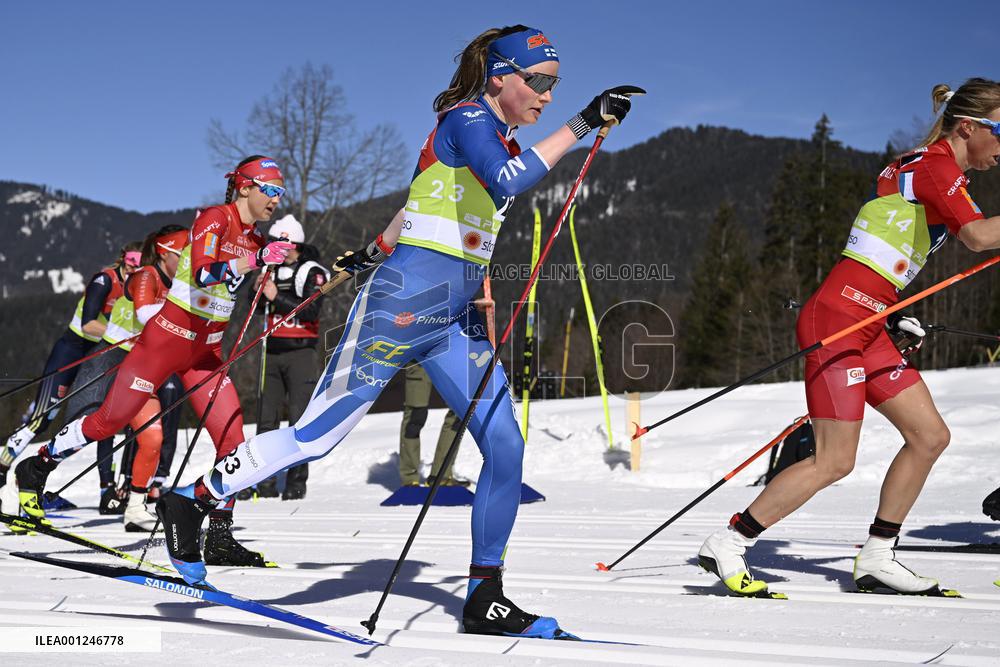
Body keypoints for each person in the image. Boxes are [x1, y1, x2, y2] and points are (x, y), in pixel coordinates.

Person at [158, 25, 635, 638]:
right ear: (500, 77)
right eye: (538, 82)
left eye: (555, 86)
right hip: (404, 304)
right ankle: (193, 498)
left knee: (506, 447)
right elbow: (511, 180)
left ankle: (484, 593)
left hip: (453, 317)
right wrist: (582, 122)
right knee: (316, 437)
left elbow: (419, 202)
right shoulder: (469, 118)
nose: (546, 95)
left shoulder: (492, 134)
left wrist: (372, 247)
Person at [698, 78, 1000, 596]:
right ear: (968, 126)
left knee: (929, 436)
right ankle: (729, 540)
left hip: (866, 321)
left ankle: (879, 555)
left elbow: (884, 243)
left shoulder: (925, 167)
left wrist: (887, 313)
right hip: (838, 321)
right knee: (835, 459)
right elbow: (977, 238)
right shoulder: (935, 165)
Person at [15, 155, 293, 567]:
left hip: (206, 354)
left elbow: (238, 287)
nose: (276, 199)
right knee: (108, 421)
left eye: (281, 192)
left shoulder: (255, 239)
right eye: (270, 189)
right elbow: (202, 273)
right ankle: (38, 466)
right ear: (245, 187)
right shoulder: (216, 218)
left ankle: (219, 535)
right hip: (165, 343)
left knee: (233, 440)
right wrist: (255, 260)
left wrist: (274, 270)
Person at [60, 225, 189, 531]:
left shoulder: (178, 282)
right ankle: (27, 478)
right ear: (164, 253)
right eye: (182, 254)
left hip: (139, 366)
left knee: (152, 437)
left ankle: (135, 508)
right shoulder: (145, 276)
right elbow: (146, 313)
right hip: (111, 358)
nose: (187, 260)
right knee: (82, 428)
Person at [0, 244, 141, 487]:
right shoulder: (104, 280)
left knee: (98, 417)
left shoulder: (137, 288)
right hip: (72, 351)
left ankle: (101, 489)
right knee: (42, 418)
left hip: (97, 356)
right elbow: (88, 324)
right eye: (131, 261)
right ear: (123, 259)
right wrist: (123, 335)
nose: (134, 268)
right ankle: (3, 468)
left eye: (139, 264)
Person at [249, 214, 330, 500]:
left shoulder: (313, 271)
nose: (273, 250)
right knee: (266, 420)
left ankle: (297, 482)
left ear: (291, 243)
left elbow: (310, 310)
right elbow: (256, 309)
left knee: (299, 418)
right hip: (271, 350)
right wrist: (257, 291)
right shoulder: (269, 270)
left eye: (277, 244)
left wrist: (274, 297)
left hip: (301, 352)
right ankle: (264, 480)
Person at [398, 361, 465, 487]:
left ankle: (441, 476)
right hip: (421, 354)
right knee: (416, 415)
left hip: (455, 353)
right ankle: (410, 479)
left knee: (460, 413)